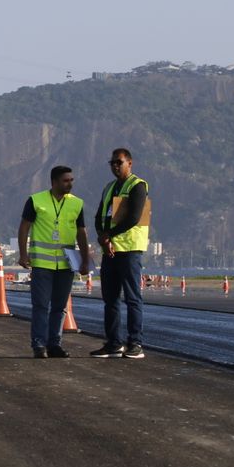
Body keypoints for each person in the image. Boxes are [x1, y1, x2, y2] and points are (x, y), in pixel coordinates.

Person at [17, 165, 91, 358]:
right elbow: (24, 227)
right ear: (54, 182)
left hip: (66, 265)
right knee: (41, 305)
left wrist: (84, 260)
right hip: (42, 264)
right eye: (66, 180)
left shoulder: (77, 204)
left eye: (72, 180)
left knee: (60, 307)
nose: (70, 184)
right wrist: (23, 254)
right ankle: (39, 345)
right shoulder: (36, 200)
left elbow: (81, 232)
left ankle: (54, 345)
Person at [91, 148, 150, 360]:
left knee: (133, 298)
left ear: (129, 163)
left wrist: (108, 235)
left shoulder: (138, 186)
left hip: (130, 250)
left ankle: (135, 343)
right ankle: (114, 343)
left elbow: (133, 217)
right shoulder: (109, 188)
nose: (115, 166)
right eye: (112, 163)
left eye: (119, 162)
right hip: (110, 251)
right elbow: (99, 216)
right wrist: (102, 237)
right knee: (110, 299)